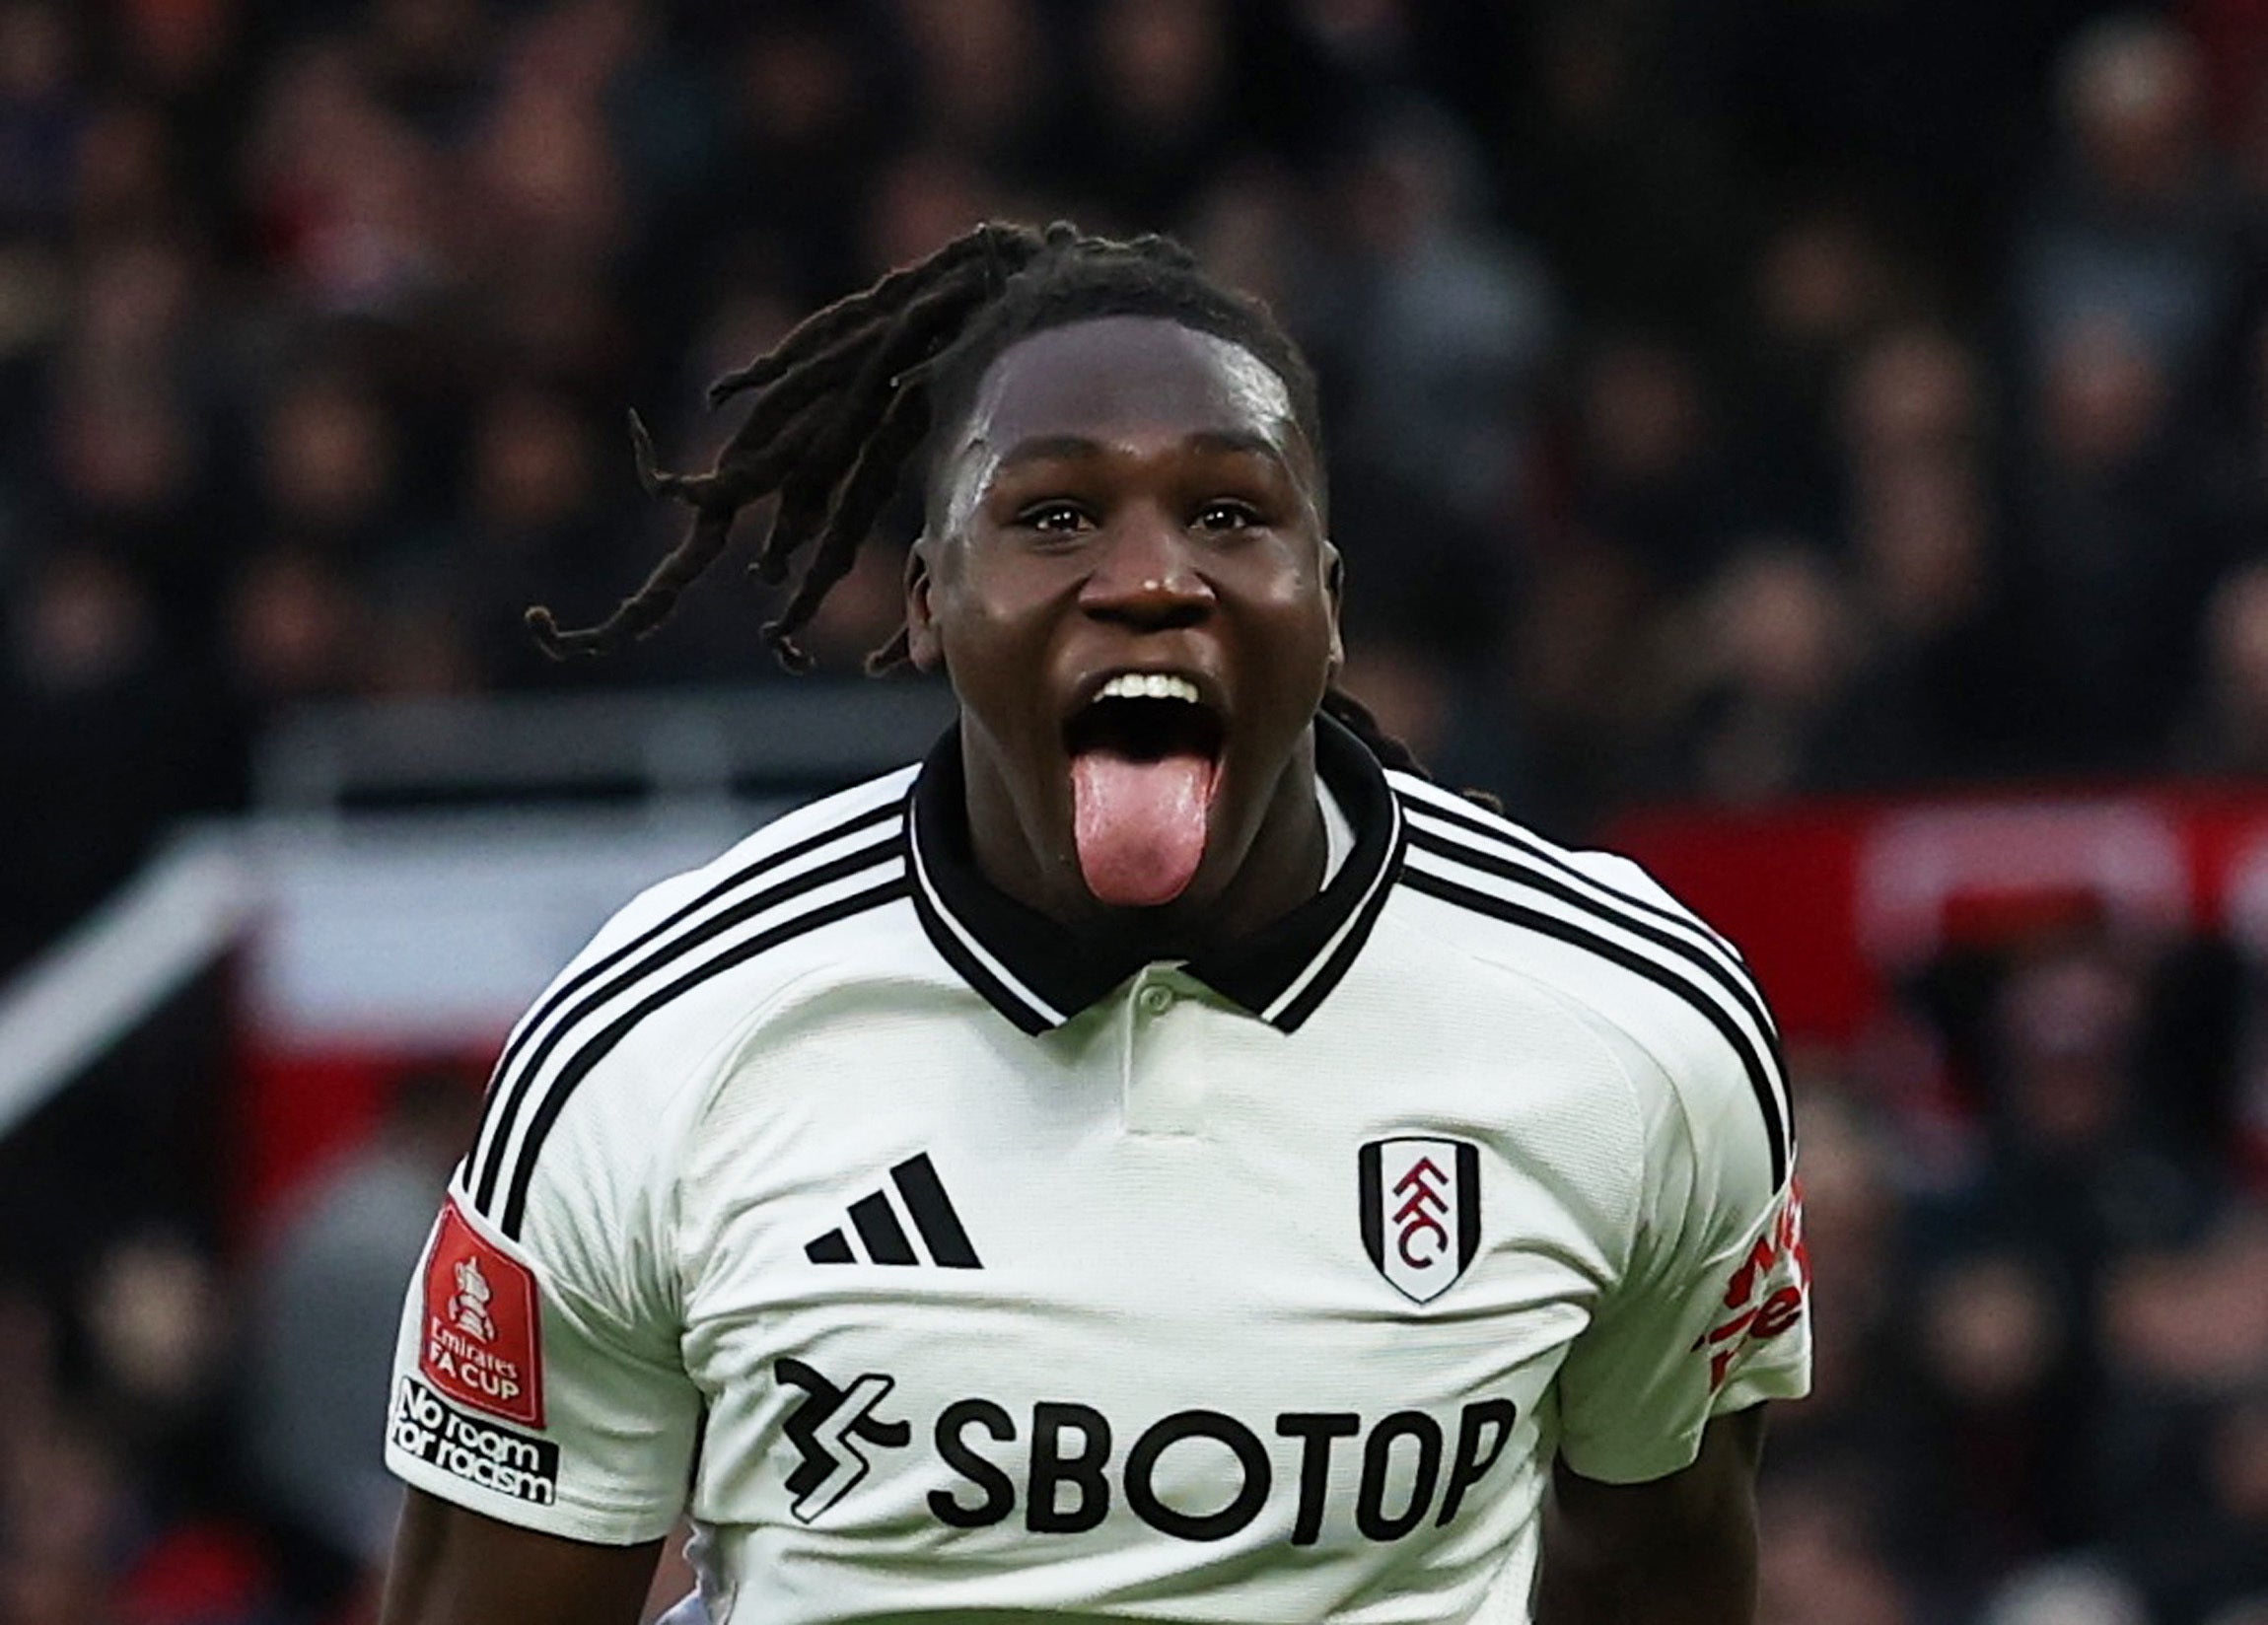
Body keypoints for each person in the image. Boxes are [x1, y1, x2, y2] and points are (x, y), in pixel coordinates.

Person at [377, 222, 1809, 1625]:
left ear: (1326, 607)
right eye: (1056, 515)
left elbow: (1659, 1566)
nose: (1149, 581)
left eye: (1228, 514)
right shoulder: (659, 1036)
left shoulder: (1634, 1031)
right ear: (930, 603)